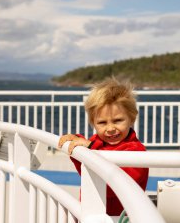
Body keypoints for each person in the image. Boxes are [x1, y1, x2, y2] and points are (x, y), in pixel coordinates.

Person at [58, 77, 149, 216]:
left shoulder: (136, 152)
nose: (110, 128)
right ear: (93, 123)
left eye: (117, 120)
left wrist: (91, 148)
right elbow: (86, 172)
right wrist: (77, 146)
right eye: (102, 122)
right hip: (92, 214)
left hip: (120, 218)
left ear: (132, 118)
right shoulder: (96, 142)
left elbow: (113, 187)